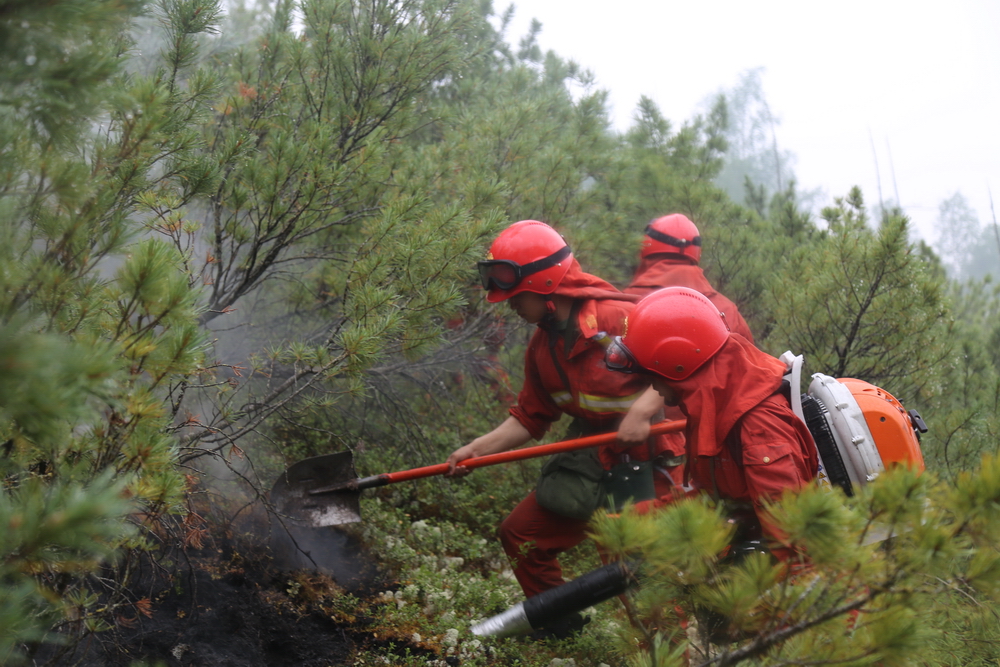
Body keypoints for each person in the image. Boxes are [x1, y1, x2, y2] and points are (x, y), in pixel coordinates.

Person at [446, 220, 684, 638]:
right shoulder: (543, 346)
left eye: (515, 295)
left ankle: (667, 653)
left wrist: (643, 410)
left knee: (631, 567)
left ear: (545, 286)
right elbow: (530, 416)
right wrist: (477, 449)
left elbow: (683, 369)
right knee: (522, 537)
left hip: (648, 461)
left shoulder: (622, 318)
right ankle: (562, 631)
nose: (508, 304)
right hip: (591, 455)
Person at [604, 286, 817, 563]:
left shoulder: (758, 428)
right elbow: (708, 495)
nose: (652, 386)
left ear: (676, 363)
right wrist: (628, 520)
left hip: (779, 582)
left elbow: (794, 551)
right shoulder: (717, 404)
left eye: (650, 375)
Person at [626, 214, 755, 343]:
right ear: (696, 253)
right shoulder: (727, 310)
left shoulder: (625, 304)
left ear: (645, 249)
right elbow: (749, 360)